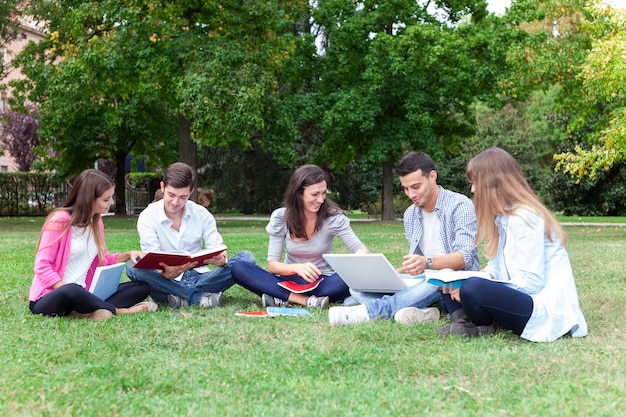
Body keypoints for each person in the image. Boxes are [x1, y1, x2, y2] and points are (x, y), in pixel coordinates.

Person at [438, 147, 587, 342]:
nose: (473, 190)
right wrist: (465, 280)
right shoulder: (504, 218)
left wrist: (476, 285)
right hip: (521, 298)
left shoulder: (526, 218)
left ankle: (470, 321)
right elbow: (496, 267)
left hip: (540, 307)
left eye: (475, 183)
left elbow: (532, 282)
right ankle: (469, 321)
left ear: (493, 183)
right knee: (451, 280)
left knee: (474, 288)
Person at [328, 151, 480, 326]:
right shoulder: (411, 214)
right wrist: (397, 272)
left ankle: (371, 311)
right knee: (357, 289)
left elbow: (464, 258)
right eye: (405, 188)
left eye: (415, 187)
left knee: (440, 278)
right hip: (422, 281)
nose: (410, 194)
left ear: (432, 177)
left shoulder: (460, 206)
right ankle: (422, 311)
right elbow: (418, 264)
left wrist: (426, 262)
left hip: (451, 282)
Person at [231, 164, 369, 308]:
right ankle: (305, 300)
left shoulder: (333, 217)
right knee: (239, 268)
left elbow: (359, 249)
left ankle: (280, 297)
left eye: (323, 193)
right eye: (315, 194)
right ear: (298, 193)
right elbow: (273, 265)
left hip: (323, 282)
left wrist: (366, 260)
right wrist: (297, 268)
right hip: (289, 280)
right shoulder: (280, 217)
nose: (321, 200)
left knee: (351, 277)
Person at [29, 169, 157, 321]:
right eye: (106, 199)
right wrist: (70, 291)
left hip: (86, 292)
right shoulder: (60, 220)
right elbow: (42, 265)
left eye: (111, 198)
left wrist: (128, 255)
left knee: (141, 287)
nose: (112, 202)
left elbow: (103, 259)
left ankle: (85, 311)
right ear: (89, 199)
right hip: (55, 295)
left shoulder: (96, 222)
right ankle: (120, 311)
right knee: (72, 289)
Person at [126, 162, 255, 308]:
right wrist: (165, 274)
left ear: (191, 191)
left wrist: (222, 260)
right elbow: (152, 257)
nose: (176, 202)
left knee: (246, 258)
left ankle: (181, 298)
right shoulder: (148, 216)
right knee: (133, 266)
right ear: (162, 187)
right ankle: (197, 297)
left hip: (201, 276)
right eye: (171, 195)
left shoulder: (201, 214)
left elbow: (218, 248)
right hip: (166, 280)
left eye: (183, 197)